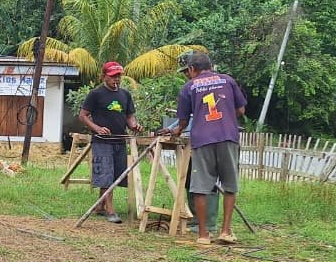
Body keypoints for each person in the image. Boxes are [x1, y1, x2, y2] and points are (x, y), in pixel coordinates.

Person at [163, 51, 247, 245]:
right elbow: (241, 109)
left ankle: (203, 235)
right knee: (230, 185)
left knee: (200, 187)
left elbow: (183, 121)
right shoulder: (227, 80)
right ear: (211, 66)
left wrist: (176, 131)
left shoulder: (189, 87)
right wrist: (226, 114)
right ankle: (225, 231)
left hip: (203, 139)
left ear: (192, 68)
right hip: (227, 136)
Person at [79, 61, 144, 223]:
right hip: (102, 141)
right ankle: (110, 211)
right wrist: (97, 128)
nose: (117, 79)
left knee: (115, 174)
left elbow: (129, 116)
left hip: (120, 141)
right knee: (106, 174)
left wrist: (134, 126)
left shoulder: (125, 95)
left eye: (119, 76)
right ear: (104, 76)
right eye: (113, 76)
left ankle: (100, 207)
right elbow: (83, 115)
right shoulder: (96, 94)